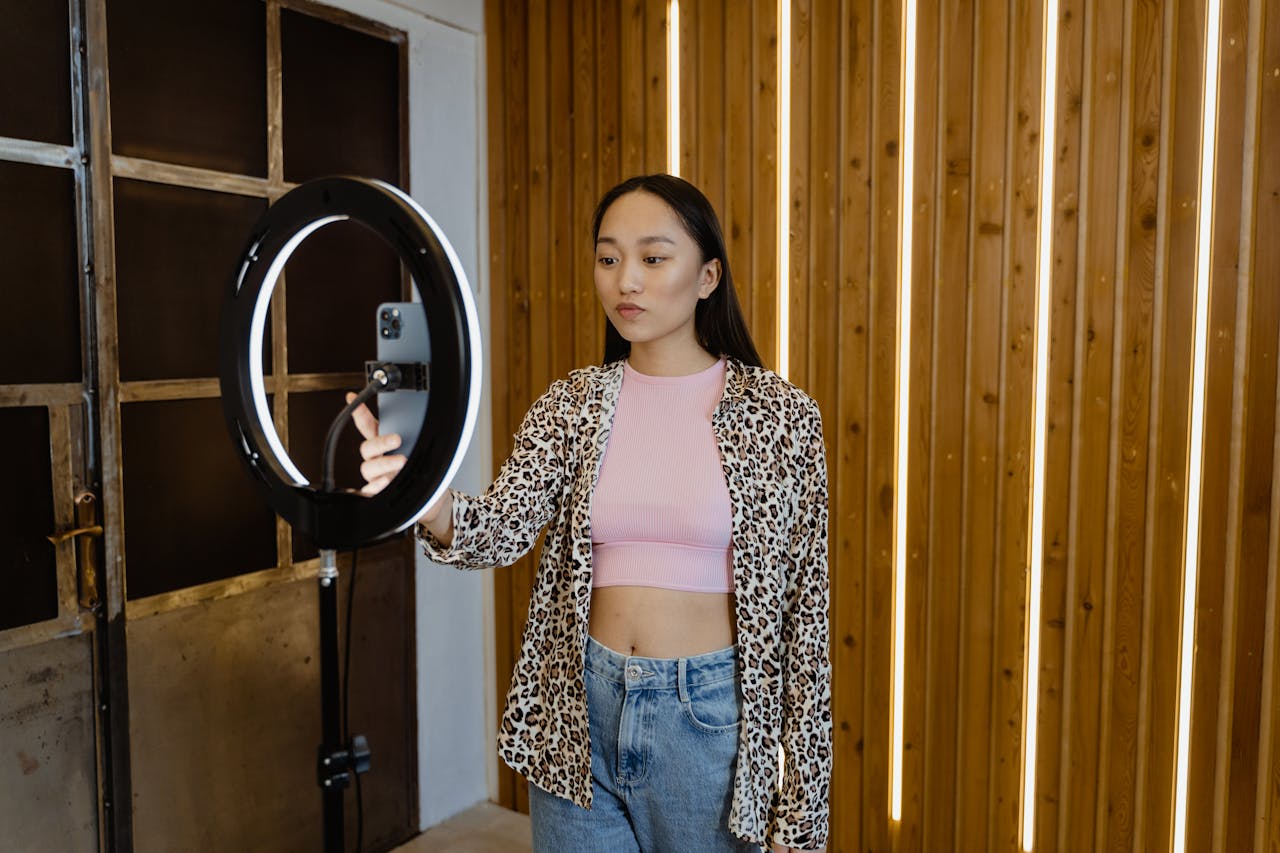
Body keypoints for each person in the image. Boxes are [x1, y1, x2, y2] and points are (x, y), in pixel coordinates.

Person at [351, 174, 830, 853]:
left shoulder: (780, 417)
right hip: (577, 709)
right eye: (608, 258)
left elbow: (806, 619)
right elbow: (503, 526)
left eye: (652, 257)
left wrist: (802, 814)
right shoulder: (574, 403)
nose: (625, 280)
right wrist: (423, 497)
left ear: (707, 276)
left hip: (710, 726)